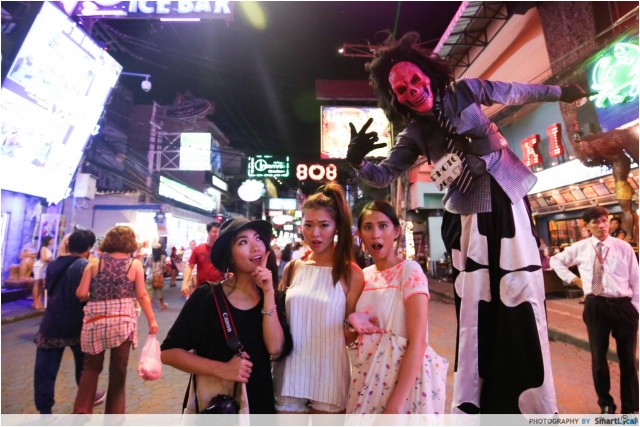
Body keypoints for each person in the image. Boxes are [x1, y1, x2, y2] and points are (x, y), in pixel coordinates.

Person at [345, 32, 587, 413]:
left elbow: (516, 92)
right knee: (477, 300)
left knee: (521, 288)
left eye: (414, 80)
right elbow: (384, 174)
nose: (412, 90)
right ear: (395, 98)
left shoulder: (465, 91)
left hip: (507, 196)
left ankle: (532, 399)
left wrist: (561, 92)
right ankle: (479, 402)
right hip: (467, 217)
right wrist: (356, 161)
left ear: (427, 75)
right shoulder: (415, 133)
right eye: (401, 89)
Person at [161, 216, 291, 413]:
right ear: (229, 257)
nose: (255, 247)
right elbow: (169, 353)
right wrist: (221, 369)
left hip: (260, 402)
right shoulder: (207, 297)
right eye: (243, 242)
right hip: (219, 407)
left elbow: (274, 347)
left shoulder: (273, 297)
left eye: (258, 238)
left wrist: (268, 292)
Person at [346, 201, 447, 414]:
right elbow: (348, 337)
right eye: (368, 227)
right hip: (366, 380)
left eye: (383, 226)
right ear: (360, 235)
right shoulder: (364, 276)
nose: (376, 234)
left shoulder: (409, 271)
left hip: (403, 388)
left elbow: (418, 342)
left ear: (396, 231)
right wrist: (352, 321)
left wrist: (394, 406)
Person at [273, 182, 364, 414]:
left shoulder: (351, 273)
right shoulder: (293, 268)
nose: (315, 233)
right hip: (289, 373)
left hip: (330, 375)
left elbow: (349, 333)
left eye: (324, 225)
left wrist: (355, 326)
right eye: (309, 225)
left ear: (336, 227)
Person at [549, 206, 638, 414]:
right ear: (588, 226)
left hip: (624, 307)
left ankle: (630, 407)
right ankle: (606, 404)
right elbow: (556, 261)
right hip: (596, 306)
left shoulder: (623, 247)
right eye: (596, 222)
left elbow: (636, 278)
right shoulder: (581, 247)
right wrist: (575, 280)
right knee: (599, 359)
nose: (601, 226)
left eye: (604, 221)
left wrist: (636, 309)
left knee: (628, 360)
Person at [72, 225, 158, 414]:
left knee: (91, 368)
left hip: (95, 322)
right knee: (118, 371)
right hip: (122, 323)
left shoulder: (94, 263)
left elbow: (81, 293)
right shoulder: (134, 265)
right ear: (130, 243)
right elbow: (142, 295)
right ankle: (114, 416)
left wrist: (95, 295)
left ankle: (81, 411)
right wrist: (152, 320)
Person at [33, 228, 104, 414]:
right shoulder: (84, 266)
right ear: (89, 247)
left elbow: (49, 288)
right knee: (85, 366)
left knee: (45, 371)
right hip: (77, 323)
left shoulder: (53, 265)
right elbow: (89, 294)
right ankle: (86, 399)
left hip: (51, 323)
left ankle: (45, 410)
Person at [181, 222, 224, 298]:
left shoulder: (223, 250)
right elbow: (190, 267)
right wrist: (185, 284)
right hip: (202, 288)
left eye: (218, 232)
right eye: (214, 232)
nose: (217, 234)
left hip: (219, 288)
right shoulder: (198, 249)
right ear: (208, 232)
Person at [32, 235, 54, 311]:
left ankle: (38, 301)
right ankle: (35, 301)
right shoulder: (43, 248)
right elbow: (43, 258)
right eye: (51, 240)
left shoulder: (48, 249)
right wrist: (52, 260)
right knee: (37, 283)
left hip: (44, 267)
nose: (52, 241)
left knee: (41, 284)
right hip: (39, 266)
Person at [144, 244, 168, 310]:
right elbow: (164, 267)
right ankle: (162, 305)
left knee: (148, 292)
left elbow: (145, 265)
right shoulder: (163, 257)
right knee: (160, 291)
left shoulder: (150, 257)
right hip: (158, 277)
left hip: (150, 276)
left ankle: (148, 307)